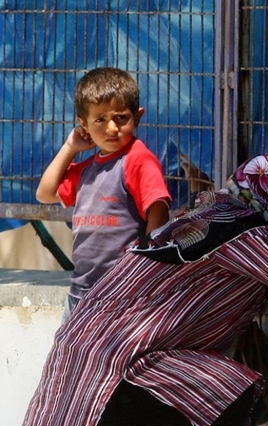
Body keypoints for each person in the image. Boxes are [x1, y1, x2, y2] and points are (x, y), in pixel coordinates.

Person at [17, 154, 268, 426]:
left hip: (78, 363)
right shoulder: (238, 225)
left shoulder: (197, 219)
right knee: (232, 390)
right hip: (121, 369)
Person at [35, 67, 171, 318]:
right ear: (83, 124)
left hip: (121, 293)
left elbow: (158, 207)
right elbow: (45, 193)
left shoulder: (137, 159)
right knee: (70, 354)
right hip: (81, 291)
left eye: (121, 118)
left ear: (137, 118)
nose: (111, 128)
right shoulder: (87, 171)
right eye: (99, 120)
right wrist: (70, 147)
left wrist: (147, 262)